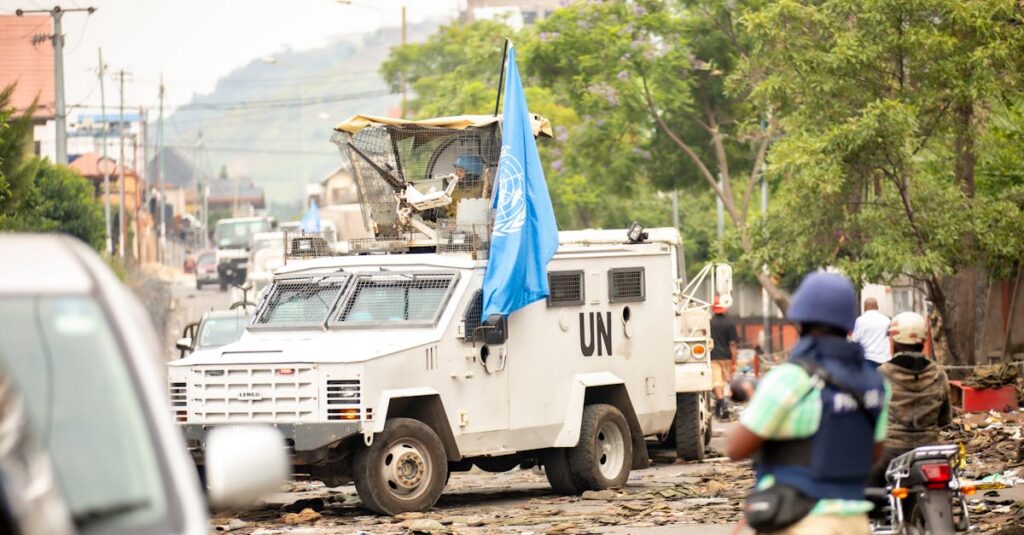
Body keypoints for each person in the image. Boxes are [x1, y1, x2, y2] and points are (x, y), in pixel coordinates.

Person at [726, 272, 890, 535]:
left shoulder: (791, 378)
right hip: (855, 522)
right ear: (849, 324)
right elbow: (873, 454)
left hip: (798, 519)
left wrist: (753, 401)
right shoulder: (876, 383)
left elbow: (735, 448)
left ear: (800, 320)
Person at [868, 311, 950, 485]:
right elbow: (945, 418)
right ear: (923, 341)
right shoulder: (939, 374)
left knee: (867, 494)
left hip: (890, 452)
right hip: (929, 450)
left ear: (893, 342)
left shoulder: (880, 375)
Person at [710, 296, 739, 419]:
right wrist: (734, 361)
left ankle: (721, 404)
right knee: (721, 382)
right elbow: (732, 344)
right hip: (726, 357)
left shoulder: (709, 322)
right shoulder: (730, 323)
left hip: (713, 356)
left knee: (716, 382)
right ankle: (720, 408)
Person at [851, 297, 891, 368]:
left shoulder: (860, 320)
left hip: (867, 358)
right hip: (884, 358)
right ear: (877, 307)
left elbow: (855, 340)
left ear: (864, 307)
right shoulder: (886, 320)